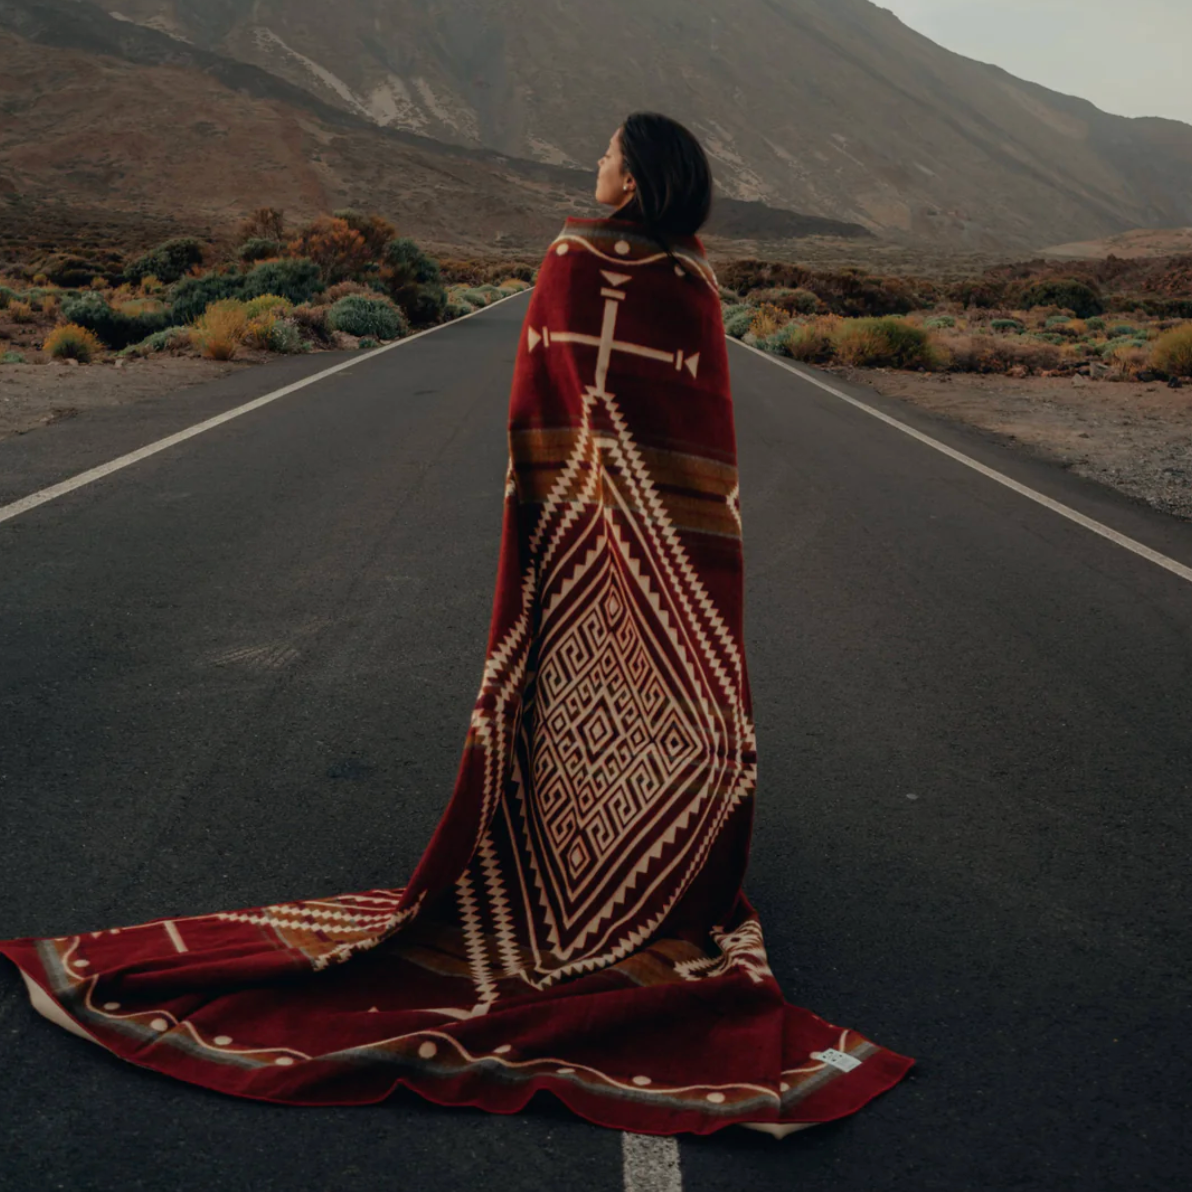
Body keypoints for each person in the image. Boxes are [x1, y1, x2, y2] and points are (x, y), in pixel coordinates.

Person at [0, 112, 913, 1139]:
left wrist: (549, 508)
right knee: (676, 712)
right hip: (665, 545)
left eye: (610, 149)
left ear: (637, 175)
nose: (597, 159)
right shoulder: (694, 283)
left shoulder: (575, 259)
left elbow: (539, 405)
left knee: (569, 698)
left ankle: (573, 863)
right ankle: (630, 875)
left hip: (575, 523)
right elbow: (703, 441)